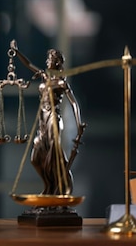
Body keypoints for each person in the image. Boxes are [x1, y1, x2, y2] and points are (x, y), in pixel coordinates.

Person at [13, 42, 86, 196]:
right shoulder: (44, 77)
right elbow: (29, 64)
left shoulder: (61, 82)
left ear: (57, 62)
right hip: (42, 118)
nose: (47, 61)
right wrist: (17, 52)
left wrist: (79, 123)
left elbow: (73, 103)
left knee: (53, 152)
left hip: (53, 117)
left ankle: (57, 187)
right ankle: (48, 185)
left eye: (50, 58)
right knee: (36, 157)